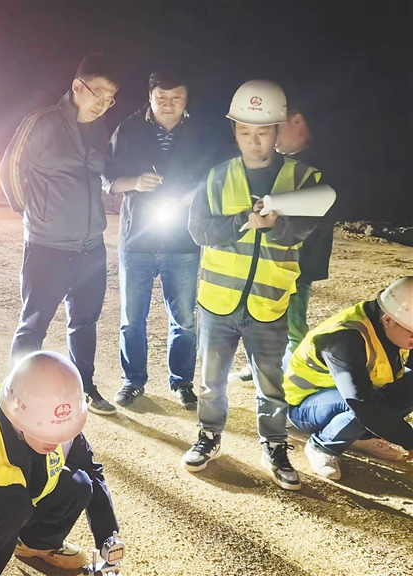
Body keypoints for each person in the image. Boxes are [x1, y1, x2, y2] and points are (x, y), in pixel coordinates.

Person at [181, 80, 322, 491]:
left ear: (278, 131)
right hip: (218, 302)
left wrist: (276, 226)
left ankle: (274, 446)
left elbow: (306, 227)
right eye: (244, 131)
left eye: (262, 131)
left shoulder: (303, 178)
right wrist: (243, 221)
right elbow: (199, 230)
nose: (254, 140)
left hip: (269, 303)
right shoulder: (216, 177)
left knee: (271, 384)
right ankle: (209, 436)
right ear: (235, 131)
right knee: (210, 381)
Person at [0, 53, 120, 415]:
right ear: (77, 86)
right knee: (33, 324)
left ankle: (84, 387)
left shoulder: (100, 130)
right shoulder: (42, 123)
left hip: (91, 247)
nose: (103, 104)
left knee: (84, 322)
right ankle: (18, 394)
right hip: (47, 247)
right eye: (98, 94)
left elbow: (102, 175)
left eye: (110, 99)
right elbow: (9, 170)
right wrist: (33, 214)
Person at [0, 351, 120, 576]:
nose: (57, 442)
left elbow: (92, 472)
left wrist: (108, 538)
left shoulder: (58, 420)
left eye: (63, 433)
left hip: (22, 501)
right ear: (17, 415)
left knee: (80, 484)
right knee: (12, 503)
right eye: (47, 434)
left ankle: (35, 545)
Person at [103, 69, 218, 409]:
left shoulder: (200, 133)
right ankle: (132, 381)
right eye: (161, 98)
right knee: (132, 319)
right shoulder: (128, 129)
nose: (168, 104)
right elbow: (107, 179)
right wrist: (135, 182)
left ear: (186, 99)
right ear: (150, 98)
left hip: (183, 241)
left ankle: (182, 382)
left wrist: (192, 196)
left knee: (184, 320)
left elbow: (213, 177)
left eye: (176, 98)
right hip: (136, 240)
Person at [231, 97, 335, 382]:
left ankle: (294, 380)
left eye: (277, 125)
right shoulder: (284, 162)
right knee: (261, 316)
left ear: (297, 120)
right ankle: (261, 366)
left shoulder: (315, 167)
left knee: (292, 325)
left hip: (296, 263)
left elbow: (319, 215)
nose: (271, 135)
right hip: (270, 260)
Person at [284, 277, 413, 479]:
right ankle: (321, 446)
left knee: (384, 402)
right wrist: (410, 440)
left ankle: (358, 437)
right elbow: (361, 403)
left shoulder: (396, 326)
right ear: (388, 320)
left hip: (350, 396)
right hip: (304, 406)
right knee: (361, 408)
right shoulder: (345, 337)